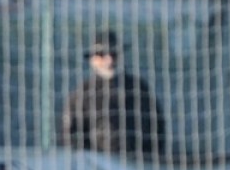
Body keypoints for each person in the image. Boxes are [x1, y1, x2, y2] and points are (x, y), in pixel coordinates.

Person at [58, 30, 166, 159]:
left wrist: (148, 159)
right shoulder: (82, 94)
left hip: (137, 168)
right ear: (92, 59)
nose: (109, 60)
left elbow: (158, 128)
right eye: (102, 54)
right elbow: (68, 135)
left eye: (114, 53)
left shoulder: (138, 89)